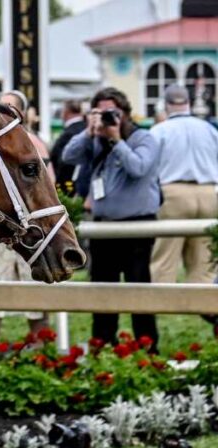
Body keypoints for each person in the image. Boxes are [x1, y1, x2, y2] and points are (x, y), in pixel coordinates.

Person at [62, 87, 161, 349]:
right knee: (102, 290)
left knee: (139, 290)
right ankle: (102, 345)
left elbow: (138, 168)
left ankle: (147, 347)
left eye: (112, 113)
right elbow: (68, 156)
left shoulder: (144, 138)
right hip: (103, 227)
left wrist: (117, 140)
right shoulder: (95, 140)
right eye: (100, 112)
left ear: (126, 113)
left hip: (137, 226)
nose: (107, 118)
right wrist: (89, 130)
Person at [0, 93, 54, 368]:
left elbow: (47, 187)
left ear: (25, 114)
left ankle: (40, 353)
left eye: (12, 108)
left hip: (31, 233)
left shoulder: (37, 144)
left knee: (37, 295)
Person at [149, 84, 218, 286]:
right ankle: (203, 304)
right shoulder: (209, 129)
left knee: (165, 256)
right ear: (188, 103)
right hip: (208, 192)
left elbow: (150, 167)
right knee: (203, 259)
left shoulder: (158, 131)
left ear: (167, 105)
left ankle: (161, 301)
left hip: (173, 193)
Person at [50, 99, 89, 198]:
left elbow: (61, 160)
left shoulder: (69, 133)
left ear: (66, 112)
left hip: (68, 186)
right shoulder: (86, 129)